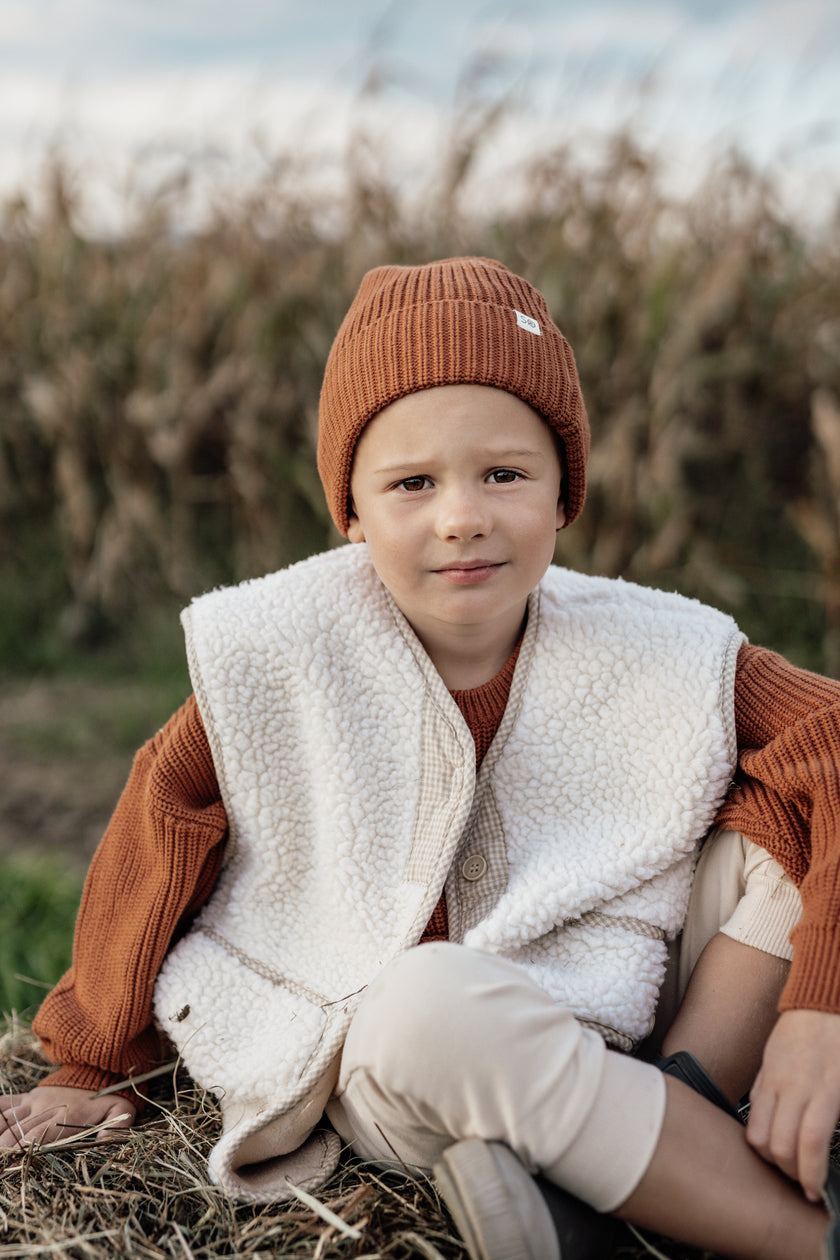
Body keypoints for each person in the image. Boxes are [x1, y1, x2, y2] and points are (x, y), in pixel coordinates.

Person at [2, 257, 840, 1260]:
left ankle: (651, 1161)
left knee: (779, 831)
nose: (462, 516)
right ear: (352, 510)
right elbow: (157, 835)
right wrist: (92, 1064)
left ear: (563, 494)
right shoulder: (280, 655)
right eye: (412, 484)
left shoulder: (656, 645)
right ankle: (795, 1231)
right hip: (401, 1051)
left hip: (620, 1002)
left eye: (504, 474)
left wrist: (820, 1007)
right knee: (426, 1005)